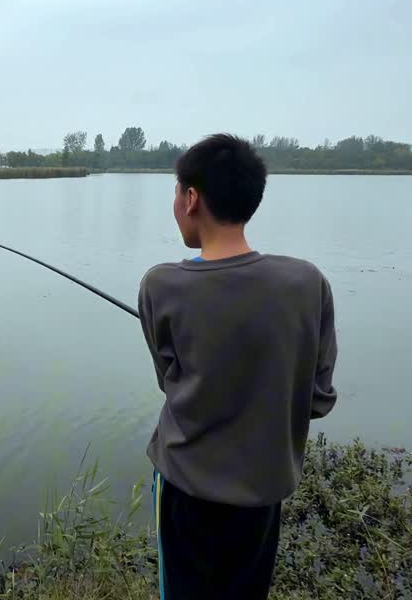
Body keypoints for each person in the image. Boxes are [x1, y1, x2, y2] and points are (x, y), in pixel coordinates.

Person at [138, 134, 338, 600]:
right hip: (265, 491)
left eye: (175, 191)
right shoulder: (307, 282)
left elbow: (173, 385)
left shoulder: (162, 285)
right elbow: (319, 398)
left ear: (191, 199)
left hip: (187, 489)